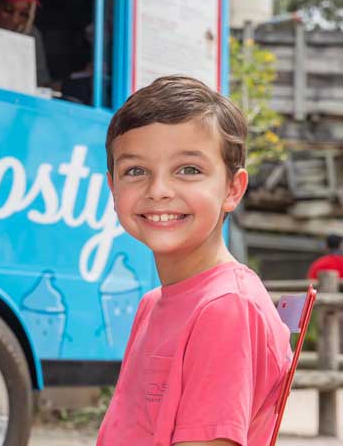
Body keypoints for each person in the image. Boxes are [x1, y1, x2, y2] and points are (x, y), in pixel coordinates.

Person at [97, 75, 291, 445]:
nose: (159, 191)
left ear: (232, 189)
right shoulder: (152, 304)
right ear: (113, 186)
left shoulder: (226, 308)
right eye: (135, 171)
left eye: (189, 170)